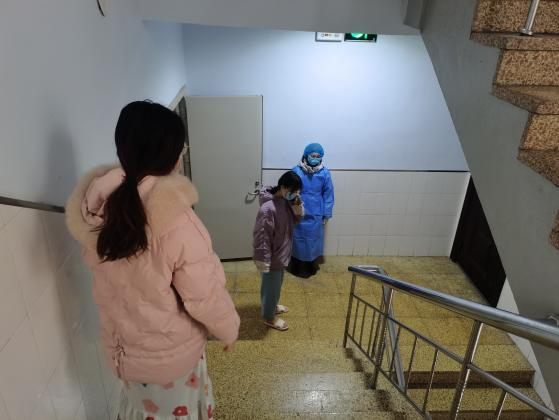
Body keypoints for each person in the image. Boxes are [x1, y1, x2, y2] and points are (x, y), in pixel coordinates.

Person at [66, 101, 240, 420]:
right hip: (170, 360)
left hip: (123, 356)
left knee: (143, 412)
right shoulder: (179, 223)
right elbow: (204, 295)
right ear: (173, 158)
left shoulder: (98, 214)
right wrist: (229, 329)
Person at [253, 171, 304, 331]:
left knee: (276, 285)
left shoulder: (285, 201)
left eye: (297, 191)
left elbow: (296, 220)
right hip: (272, 256)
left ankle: (272, 306)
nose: (295, 194)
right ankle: (269, 317)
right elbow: (262, 238)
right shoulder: (268, 209)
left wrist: (297, 204)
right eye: (293, 190)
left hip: (282, 253)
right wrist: (263, 261)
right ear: (283, 186)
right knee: (270, 288)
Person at [289, 143, 334, 278]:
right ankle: (296, 265)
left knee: (313, 240)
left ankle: (310, 265)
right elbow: (289, 191)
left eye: (318, 156)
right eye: (312, 156)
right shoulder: (296, 171)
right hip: (298, 210)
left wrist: (326, 213)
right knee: (298, 239)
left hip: (316, 213)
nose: (315, 158)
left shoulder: (324, 173)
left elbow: (328, 194)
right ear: (306, 155)